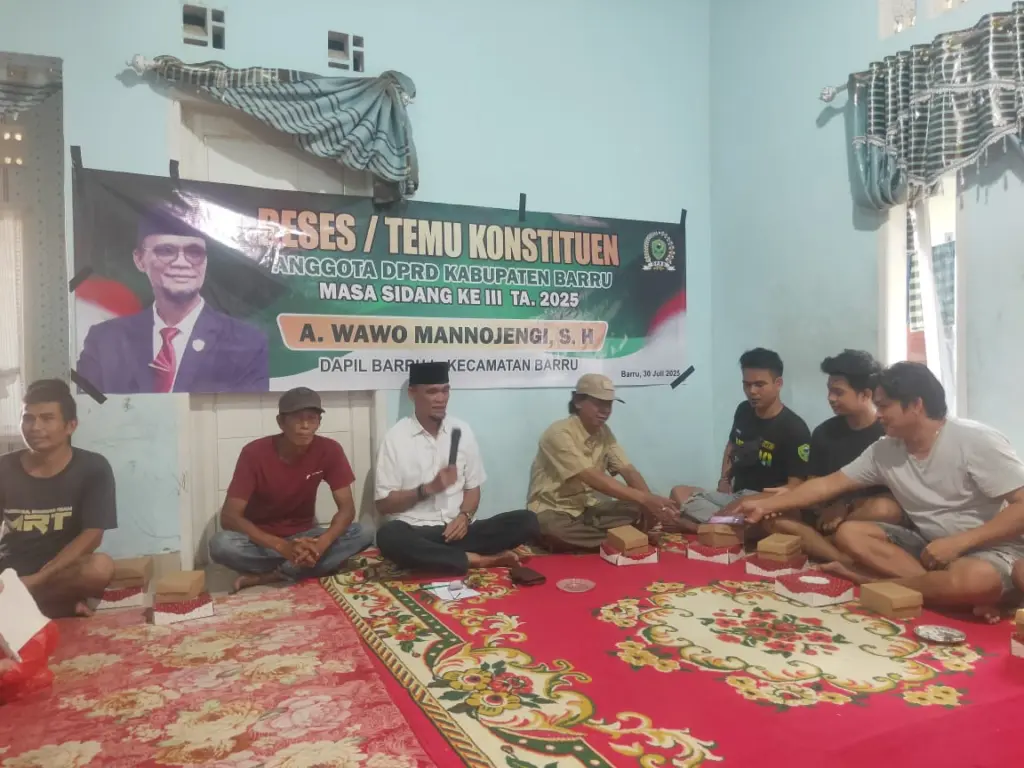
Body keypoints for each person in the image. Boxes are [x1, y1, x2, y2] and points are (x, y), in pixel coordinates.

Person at [739, 362, 1024, 622]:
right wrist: (765, 505)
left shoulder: (975, 440)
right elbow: (828, 484)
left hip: (992, 549)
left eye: (884, 406)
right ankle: (942, 590)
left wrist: (960, 543)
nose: (878, 415)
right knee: (851, 533)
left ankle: (877, 584)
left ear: (916, 404)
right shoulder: (884, 450)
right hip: (929, 546)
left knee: (975, 579)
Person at [76, 207, 268, 394]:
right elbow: (88, 406)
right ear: (140, 259)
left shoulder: (246, 343)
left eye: (194, 252)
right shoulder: (105, 340)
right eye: (166, 250)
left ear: (206, 261)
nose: (181, 263)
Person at [375, 362, 539, 574]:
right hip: (417, 531)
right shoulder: (395, 438)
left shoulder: (461, 430)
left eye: (445, 390)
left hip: (460, 531)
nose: (441, 398)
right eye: (432, 392)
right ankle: (478, 560)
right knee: (388, 536)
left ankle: (438, 557)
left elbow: (473, 488)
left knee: (527, 521)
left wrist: (464, 517)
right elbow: (384, 505)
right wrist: (426, 490)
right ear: (412, 393)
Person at [208, 387, 374, 592]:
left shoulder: (330, 450)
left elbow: (347, 509)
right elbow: (230, 517)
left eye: (312, 418)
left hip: (306, 534)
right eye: (297, 419)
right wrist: (282, 547)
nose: (305, 426)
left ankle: (276, 574)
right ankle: (307, 565)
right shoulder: (254, 453)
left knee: (365, 531)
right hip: (262, 540)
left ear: (319, 422)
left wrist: (321, 545)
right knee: (221, 544)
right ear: (281, 422)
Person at [764, 350, 902, 563]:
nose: (831, 398)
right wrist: (794, 494)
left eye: (838, 392)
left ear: (865, 394)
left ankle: (825, 546)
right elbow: (815, 484)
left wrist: (845, 508)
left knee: (885, 509)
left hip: (863, 518)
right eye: (829, 390)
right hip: (825, 516)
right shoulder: (824, 433)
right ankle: (838, 556)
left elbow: (896, 497)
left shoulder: (888, 434)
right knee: (773, 517)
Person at [0, 379, 116, 617]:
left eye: (47, 418)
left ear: (71, 425)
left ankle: (19, 605)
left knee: (99, 567)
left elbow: (93, 535)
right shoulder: (4, 468)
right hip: (10, 571)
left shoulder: (93, 468)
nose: (35, 427)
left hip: (60, 571)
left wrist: (37, 579)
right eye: (28, 418)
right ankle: (52, 607)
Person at [527, 373, 678, 551]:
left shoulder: (604, 432)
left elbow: (628, 470)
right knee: (551, 529)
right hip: (554, 511)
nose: (605, 410)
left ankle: (613, 538)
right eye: (599, 403)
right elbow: (590, 477)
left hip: (589, 509)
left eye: (609, 404)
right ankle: (622, 539)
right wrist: (645, 499)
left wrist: (651, 506)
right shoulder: (558, 433)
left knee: (637, 508)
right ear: (578, 402)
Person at [670, 348, 811, 532]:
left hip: (767, 502)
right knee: (679, 493)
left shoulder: (794, 428)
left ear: (778, 384)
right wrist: (724, 480)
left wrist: (752, 501)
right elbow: (732, 446)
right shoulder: (744, 410)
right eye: (747, 384)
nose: (752, 391)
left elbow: (796, 487)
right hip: (736, 497)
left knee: (756, 516)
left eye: (759, 385)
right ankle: (723, 525)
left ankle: (702, 527)